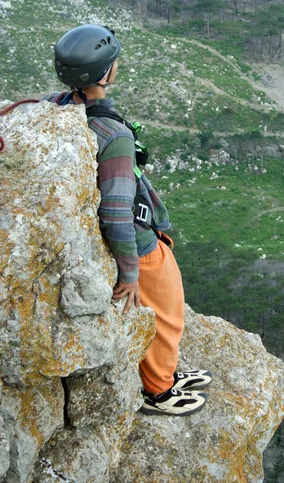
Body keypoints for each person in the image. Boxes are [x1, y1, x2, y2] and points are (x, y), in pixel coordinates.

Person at [44, 24, 212, 416]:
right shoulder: (112, 134)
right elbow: (116, 210)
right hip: (137, 240)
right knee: (168, 310)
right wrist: (130, 273)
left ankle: (161, 373)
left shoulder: (58, 107)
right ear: (105, 74)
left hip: (108, 236)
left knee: (164, 307)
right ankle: (158, 390)